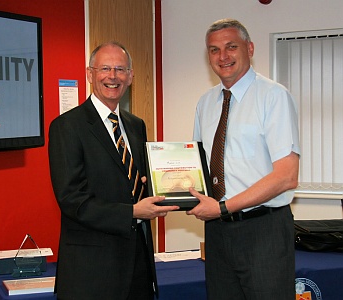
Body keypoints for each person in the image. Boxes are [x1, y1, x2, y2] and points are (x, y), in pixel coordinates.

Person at [48, 41, 179, 300]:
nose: (112, 76)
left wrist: (160, 193)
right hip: (92, 273)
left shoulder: (136, 125)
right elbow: (72, 200)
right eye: (105, 68)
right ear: (90, 74)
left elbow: (135, 184)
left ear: (130, 76)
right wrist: (132, 212)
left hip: (137, 267)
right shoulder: (67, 126)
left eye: (120, 69)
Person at [187, 19, 300, 299]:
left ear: (249, 48)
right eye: (214, 50)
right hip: (218, 233)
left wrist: (224, 208)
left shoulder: (273, 96)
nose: (222, 56)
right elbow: (198, 166)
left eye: (231, 47)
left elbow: (287, 175)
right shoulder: (205, 103)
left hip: (264, 231)